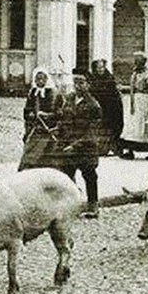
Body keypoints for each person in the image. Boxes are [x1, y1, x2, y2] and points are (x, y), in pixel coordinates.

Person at [57, 73, 104, 219]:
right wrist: (58, 128)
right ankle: (72, 205)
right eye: (76, 83)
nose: (78, 86)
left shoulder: (93, 105)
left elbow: (92, 131)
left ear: (88, 85)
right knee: (67, 175)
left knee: (89, 175)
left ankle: (93, 206)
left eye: (82, 83)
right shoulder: (69, 99)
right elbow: (64, 118)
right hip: (68, 144)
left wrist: (76, 145)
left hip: (86, 147)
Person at [119, 52, 148, 160]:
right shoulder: (134, 74)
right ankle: (130, 151)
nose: (135, 62)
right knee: (133, 126)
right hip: (136, 102)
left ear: (143, 62)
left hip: (145, 102)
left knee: (147, 127)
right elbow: (133, 88)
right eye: (135, 60)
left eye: (138, 60)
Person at [18, 67, 64, 171]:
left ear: (47, 79)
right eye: (37, 79)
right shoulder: (32, 92)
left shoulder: (55, 94)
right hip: (35, 129)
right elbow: (27, 109)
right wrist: (30, 115)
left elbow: (60, 113)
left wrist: (47, 115)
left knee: (49, 158)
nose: (40, 81)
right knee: (30, 155)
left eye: (43, 79)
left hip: (49, 130)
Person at [87, 59, 123, 155]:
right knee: (101, 127)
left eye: (102, 67)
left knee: (112, 127)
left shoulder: (109, 77)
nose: (101, 69)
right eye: (98, 67)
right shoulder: (92, 78)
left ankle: (113, 147)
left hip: (112, 107)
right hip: (100, 107)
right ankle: (102, 148)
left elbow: (113, 92)